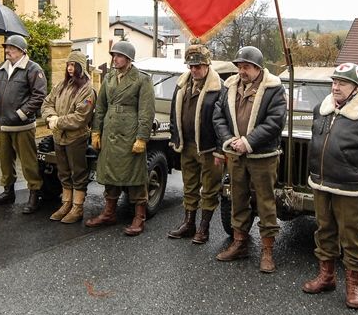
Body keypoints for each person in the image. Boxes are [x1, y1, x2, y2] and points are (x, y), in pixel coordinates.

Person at [301, 62, 358, 309]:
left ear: (356, 87)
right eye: (334, 82)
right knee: (324, 230)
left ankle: (353, 287)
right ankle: (327, 277)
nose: (336, 87)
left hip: (351, 189)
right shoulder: (321, 110)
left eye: (342, 83)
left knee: (353, 236)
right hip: (321, 184)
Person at [212, 45, 286, 272]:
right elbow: (218, 115)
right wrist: (230, 140)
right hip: (235, 154)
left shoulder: (273, 88)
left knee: (265, 202)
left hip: (262, 156)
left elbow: (275, 121)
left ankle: (267, 250)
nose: (241, 71)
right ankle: (240, 243)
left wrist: (249, 142)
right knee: (237, 198)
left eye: (246, 67)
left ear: (257, 67)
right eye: (239, 67)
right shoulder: (229, 86)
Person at [84, 40, 155, 236]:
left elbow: (146, 112)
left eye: (119, 56)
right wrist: (96, 132)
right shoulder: (108, 78)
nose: (115, 59)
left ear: (129, 59)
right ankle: (109, 213)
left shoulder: (142, 80)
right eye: (113, 55)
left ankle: (139, 217)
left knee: (135, 175)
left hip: (130, 133)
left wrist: (142, 137)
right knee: (110, 174)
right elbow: (101, 108)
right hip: (110, 132)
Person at [166, 44, 223, 244]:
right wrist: (176, 138)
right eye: (191, 66)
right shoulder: (181, 85)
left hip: (208, 149)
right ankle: (189, 224)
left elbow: (224, 121)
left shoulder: (218, 88)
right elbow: (174, 113)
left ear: (207, 65)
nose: (194, 70)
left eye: (197, 66)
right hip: (187, 145)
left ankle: (204, 228)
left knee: (209, 188)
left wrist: (219, 150)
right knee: (189, 186)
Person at [0, 34, 48, 210]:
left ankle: (34, 193)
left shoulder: (33, 69)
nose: (7, 51)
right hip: (2, 124)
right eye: (6, 47)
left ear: (22, 51)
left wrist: (22, 113)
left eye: (12, 48)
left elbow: (39, 95)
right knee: (5, 161)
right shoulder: (1, 68)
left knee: (29, 163)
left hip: (23, 126)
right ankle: (8, 192)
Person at [40, 50, 96, 223]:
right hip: (59, 137)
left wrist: (59, 122)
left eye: (73, 65)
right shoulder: (62, 85)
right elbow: (47, 102)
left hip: (76, 138)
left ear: (81, 67)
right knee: (63, 172)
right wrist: (50, 117)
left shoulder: (87, 90)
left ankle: (77, 207)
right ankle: (66, 203)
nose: (70, 68)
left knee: (78, 173)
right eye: (68, 65)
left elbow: (81, 117)